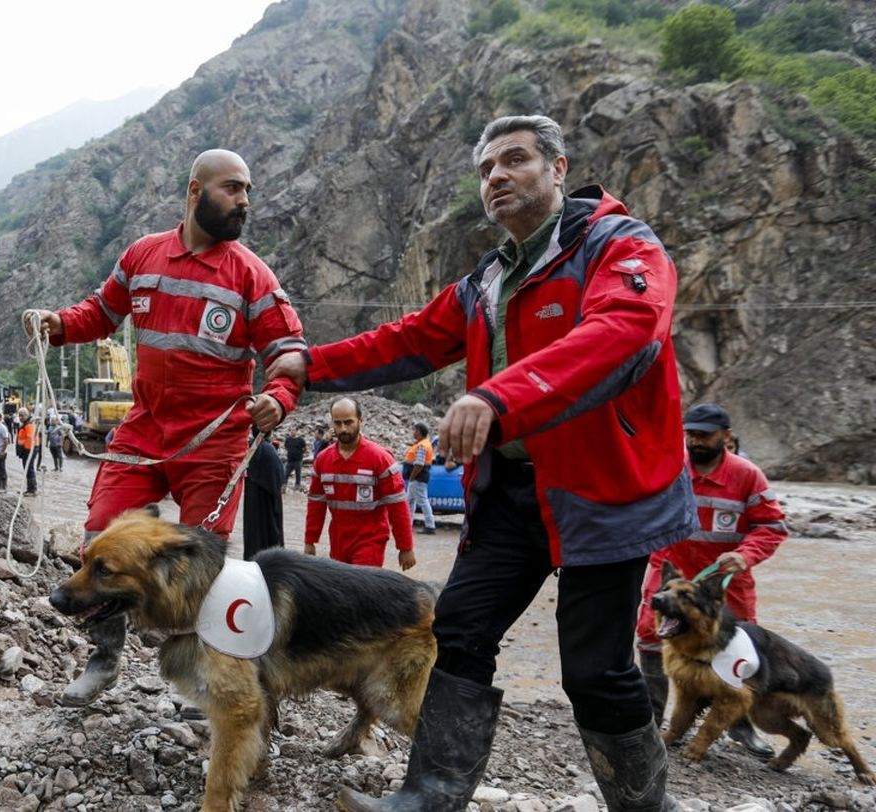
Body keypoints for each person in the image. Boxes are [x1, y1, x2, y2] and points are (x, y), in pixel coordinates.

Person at [267, 115, 694, 812]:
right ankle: (430, 795)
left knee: (595, 670)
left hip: (605, 492)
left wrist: (499, 394)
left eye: (516, 160)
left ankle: (645, 808)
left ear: (558, 169)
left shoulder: (619, 246)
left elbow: (624, 330)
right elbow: (404, 341)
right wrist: (311, 363)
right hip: (511, 492)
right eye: (487, 168)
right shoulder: (488, 280)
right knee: (458, 631)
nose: (497, 175)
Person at [23, 148, 306, 707]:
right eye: (232, 188)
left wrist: (279, 395)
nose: (244, 200)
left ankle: (197, 673)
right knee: (98, 538)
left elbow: (289, 350)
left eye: (247, 189)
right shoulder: (142, 256)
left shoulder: (252, 275)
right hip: (143, 435)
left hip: (215, 445)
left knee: (201, 565)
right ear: (195, 191)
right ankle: (103, 658)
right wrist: (57, 326)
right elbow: (100, 313)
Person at [636, 402, 788, 759]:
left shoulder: (748, 476)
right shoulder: (669, 466)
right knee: (650, 635)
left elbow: (772, 527)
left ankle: (740, 727)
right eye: (690, 433)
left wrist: (745, 554)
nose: (695, 440)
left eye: (704, 434)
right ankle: (649, 722)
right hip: (671, 572)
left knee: (738, 651)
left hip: (726, 581)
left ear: (726, 436)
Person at [305, 398, 416, 571]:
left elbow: (398, 505)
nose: (343, 429)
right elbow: (316, 504)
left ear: (360, 421)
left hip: (370, 540)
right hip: (339, 540)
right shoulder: (322, 461)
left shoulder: (380, 458)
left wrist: (405, 547)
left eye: (348, 422)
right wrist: (309, 541)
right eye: (338, 423)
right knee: (341, 591)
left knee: (363, 592)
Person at [243, 427, 285, 560]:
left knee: (253, 533)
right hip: (268, 500)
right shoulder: (268, 449)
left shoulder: (249, 447)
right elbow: (278, 476)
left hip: (252, 497)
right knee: (269, 534)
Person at [403, 421, 437, 535]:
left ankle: (430, 525)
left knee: (422, 501)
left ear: (419, 432)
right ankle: (408, 524)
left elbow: (418, 464)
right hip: (417, 478)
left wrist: (412, 477)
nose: (413, 432)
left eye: (415, 430)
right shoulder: (423, 444)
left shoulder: (422, 446)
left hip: (417, 478)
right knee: (410, 501)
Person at [15, 407, 39, 496]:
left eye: (22, 415)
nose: (20, 417)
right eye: (19, 416)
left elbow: (30, 438)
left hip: (29, 450)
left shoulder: (28, 424)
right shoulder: (26, 424)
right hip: (27, 450)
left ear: (27, 415)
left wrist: (25, 450)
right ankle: (30, 489)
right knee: (28, 469)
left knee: (29, 469)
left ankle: (32, 490)